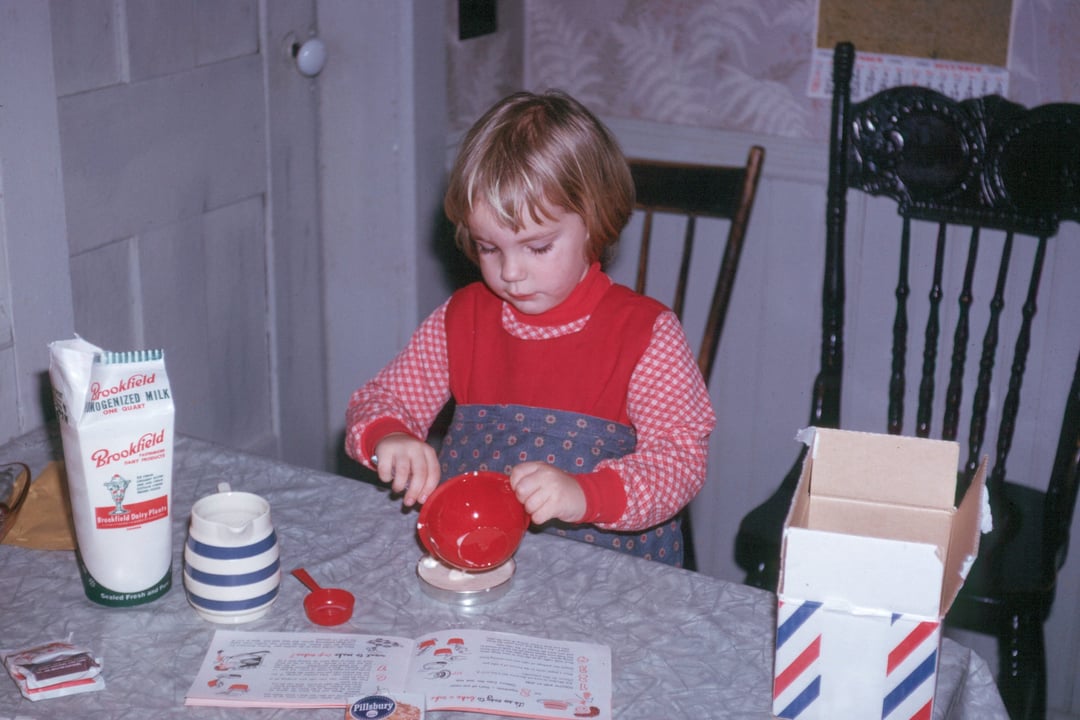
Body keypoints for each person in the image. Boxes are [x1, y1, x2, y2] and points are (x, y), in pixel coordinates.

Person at [345, 89, 715, 567]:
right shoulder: (461, 318)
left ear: (595, 221)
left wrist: (584, 495)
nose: (510, 272)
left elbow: (681, 462)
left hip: (610, 571)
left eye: (537, 247)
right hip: (479, 557)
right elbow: (380, 400)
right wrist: (389, 437)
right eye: (488, 248)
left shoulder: (647, 334)